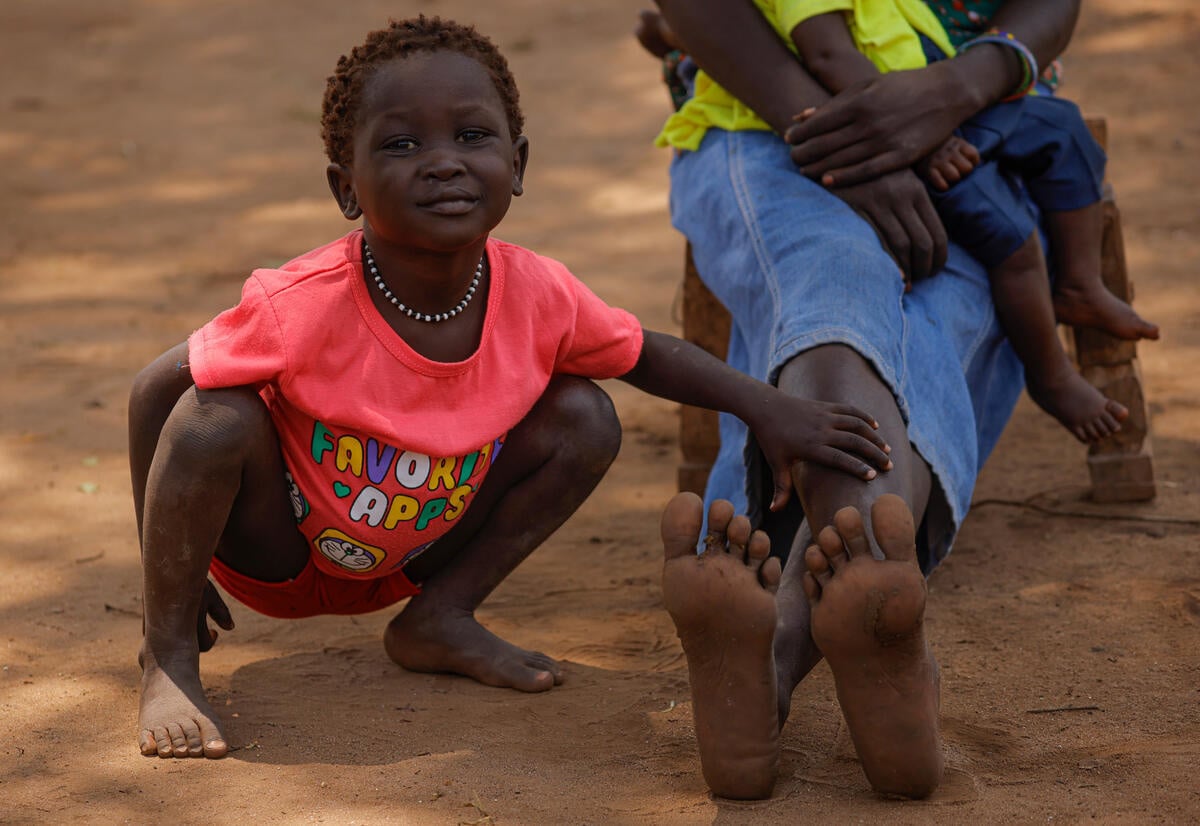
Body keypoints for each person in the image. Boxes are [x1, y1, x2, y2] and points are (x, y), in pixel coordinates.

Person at [127, 15, 896, 761]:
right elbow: (154, 390)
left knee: (584, 415)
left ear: (519, 163)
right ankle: (166, 661)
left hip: (419, 543)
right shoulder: (299, 305)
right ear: (346, 186)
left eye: (472, 137)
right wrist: (169, 574)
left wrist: (771, 408)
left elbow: (643, 354)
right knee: (211, 419)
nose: (444, 162)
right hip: (279, 549)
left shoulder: (536, 291)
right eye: (401, 145)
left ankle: (439, 617)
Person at [647, 0, 1103, 801]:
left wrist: (956, 88)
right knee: (843, 270)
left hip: (974, 147)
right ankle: (856, 625)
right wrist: (848, 135)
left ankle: (775, 654)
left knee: (926, 301)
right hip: (765, 125)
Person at [784, 0, 1158, 443]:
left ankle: (1081, 284)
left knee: (1065, 133)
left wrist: (957, 91)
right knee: (1010, 236)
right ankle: (1051, 376)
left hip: (945, 98)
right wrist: (925, 135)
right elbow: (827, 57)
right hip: (897, 132)